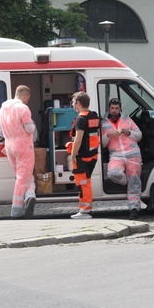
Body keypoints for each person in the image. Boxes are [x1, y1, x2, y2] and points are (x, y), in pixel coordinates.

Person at [0, 85, 37, 218]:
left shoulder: (3, 108)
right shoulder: (22, 108)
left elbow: (0, 130)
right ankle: (17, 209)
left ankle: (30, 195)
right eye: (28, 98)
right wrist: (33, 125)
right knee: (22, 177)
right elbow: (30, 128)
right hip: (24, 145)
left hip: (9, 145)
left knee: (24, 175)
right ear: (25, 96)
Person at [101, 98, 143, 219]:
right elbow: (102, 144)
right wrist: (108, 135)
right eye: (112, 108)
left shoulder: (127, 120)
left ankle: (134, 209)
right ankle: (125, 182)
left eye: (116, 108)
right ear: (109, 108)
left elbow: (139, 136)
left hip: (133, 154)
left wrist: (127, 132)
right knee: (113, 173)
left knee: (135, 182)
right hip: (116, 155)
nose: (114, 110)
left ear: (120, 109)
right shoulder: (104, 123)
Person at [68, 91, 101, 219]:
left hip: (82, 156)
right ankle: (85, 209)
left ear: (79, 103)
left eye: (73, 101)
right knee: (86, 182)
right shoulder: (93, 116)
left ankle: (85, 210)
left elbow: (78, 139)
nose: (72, 104)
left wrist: (73, 154)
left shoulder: (81, 119)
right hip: (92, 155)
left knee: (83, 183)